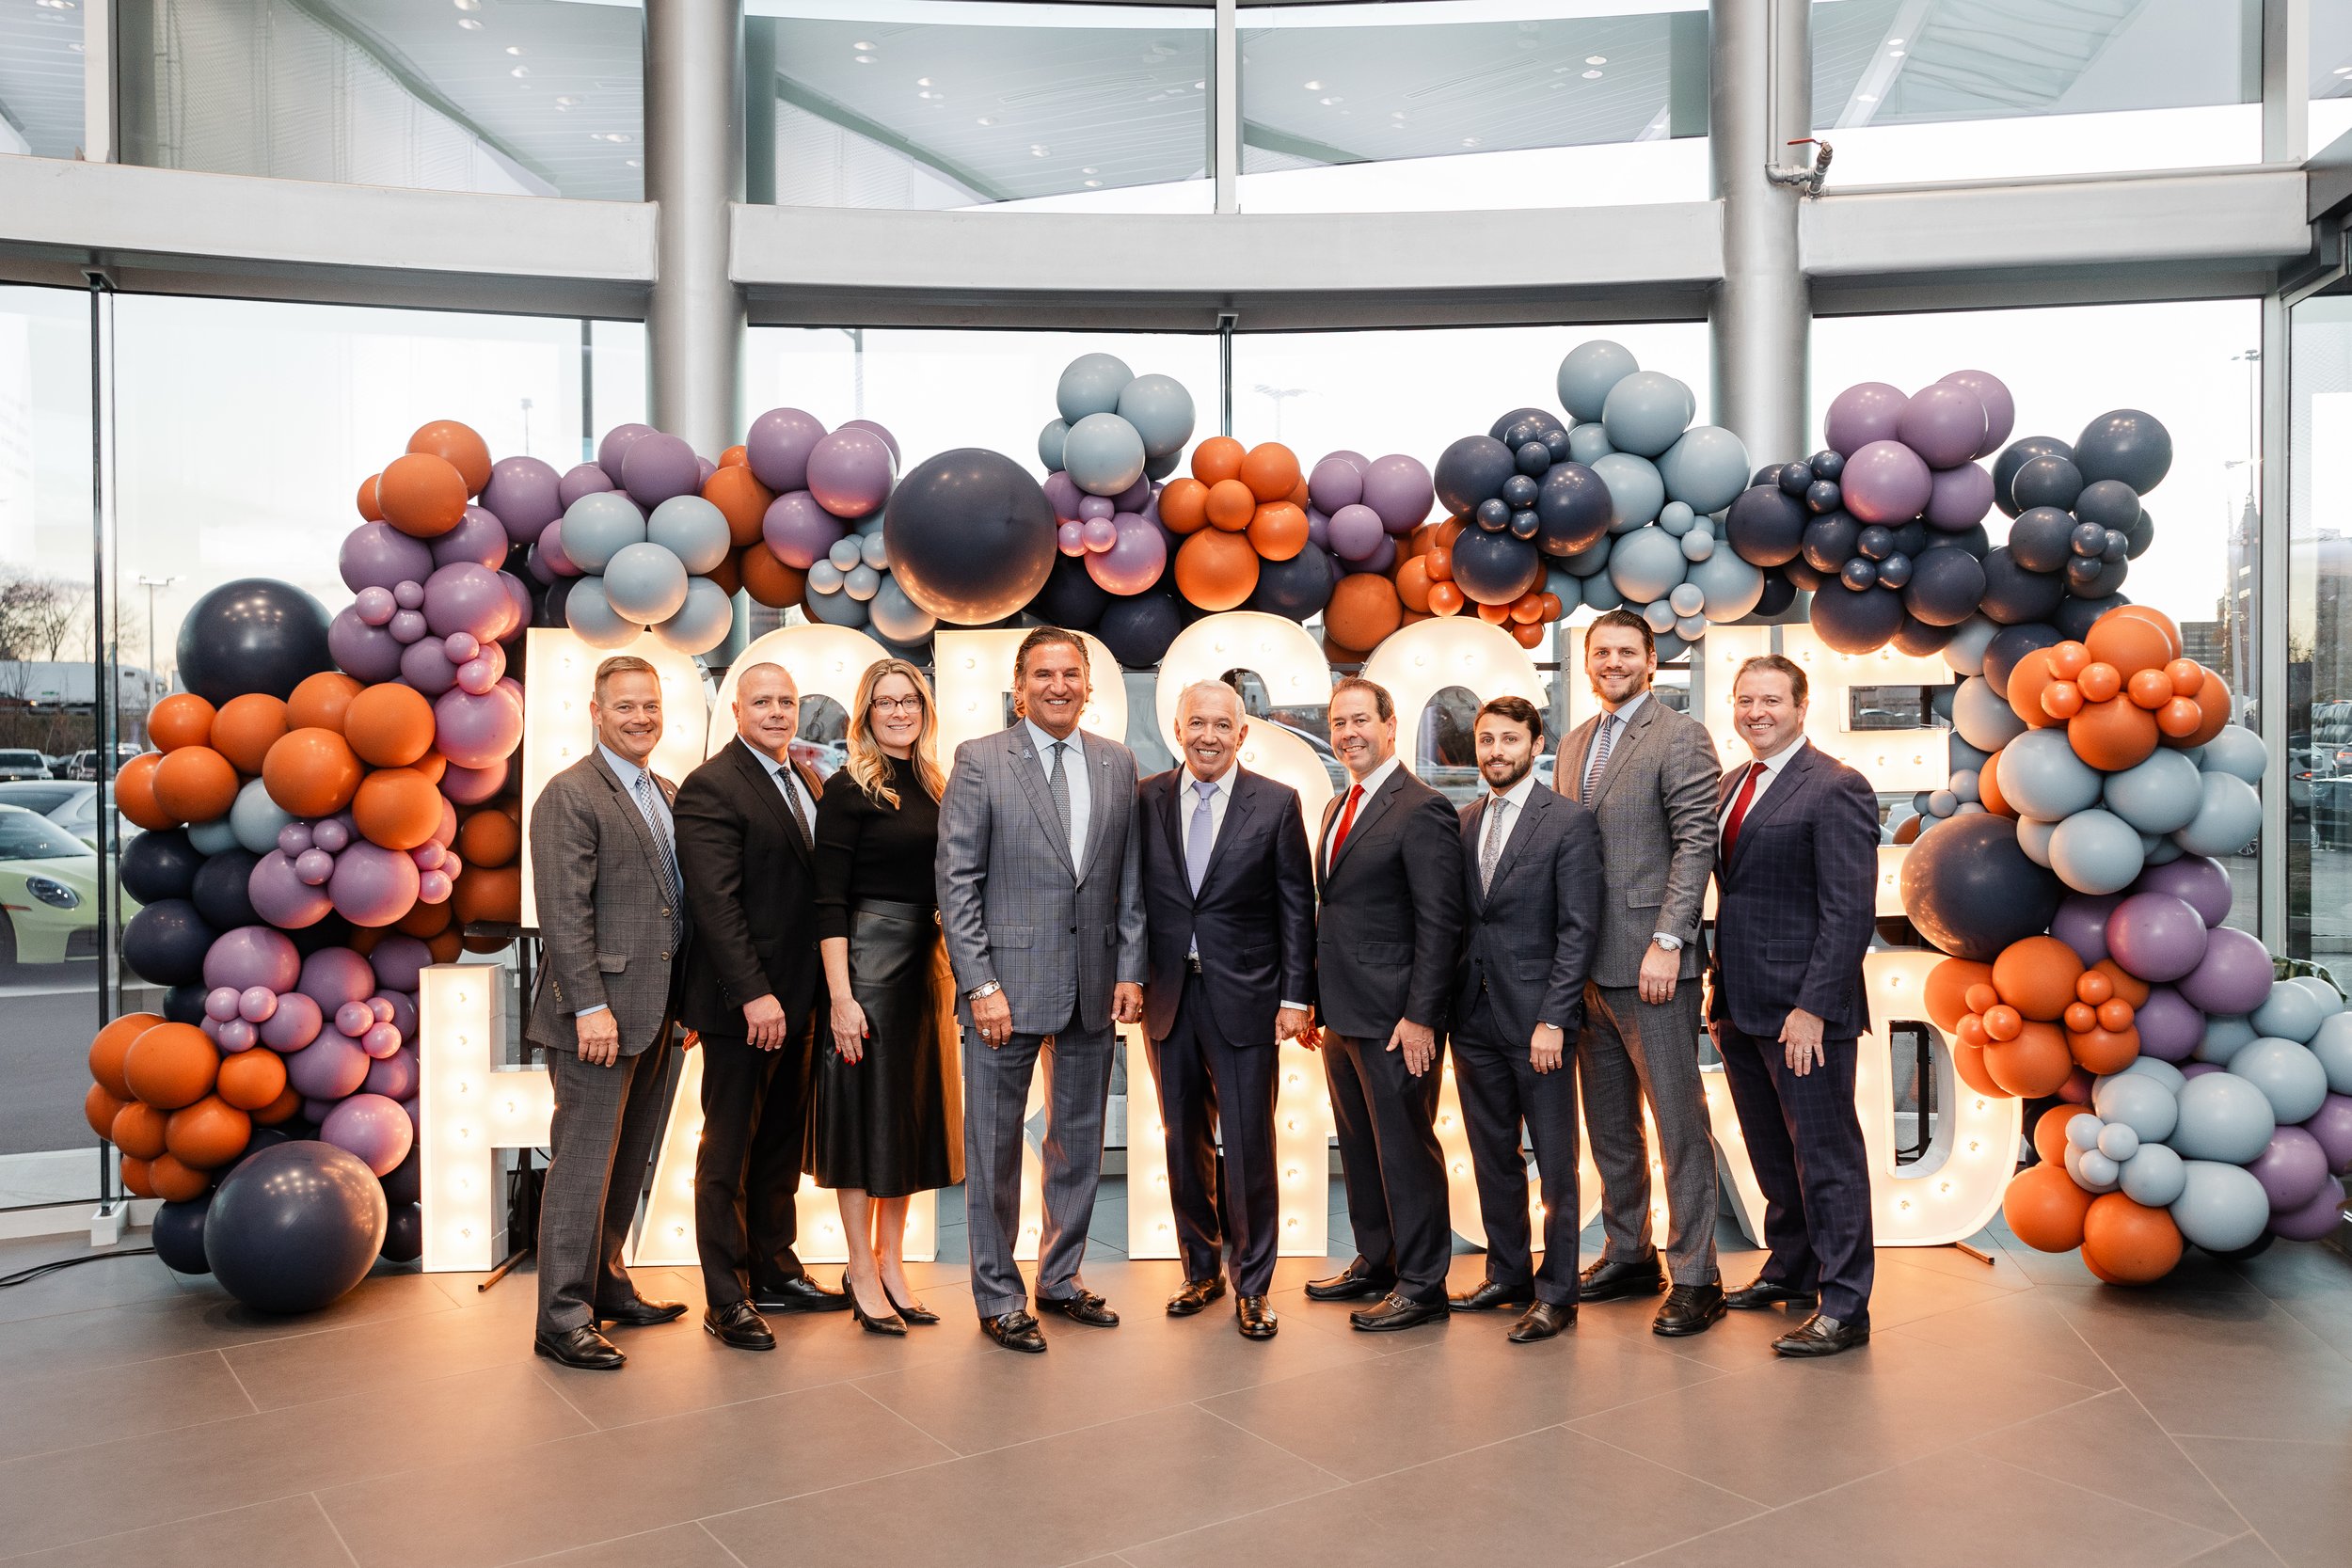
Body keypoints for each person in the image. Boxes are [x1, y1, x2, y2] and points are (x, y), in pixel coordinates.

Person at [936, 626, 1147, 1354]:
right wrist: (980, 982)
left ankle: (1060, 1278)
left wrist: (1128, 968)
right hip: (1005, 989)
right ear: (1020, 686)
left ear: (1089, 684)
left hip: (1093, 986)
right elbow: (956, 881)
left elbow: (1127, 880)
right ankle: (998, 1295)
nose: (1059, 686)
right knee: (993, 1149)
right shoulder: (980, 760)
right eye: (1044, 674)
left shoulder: (1118, 763)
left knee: (1077, 1143)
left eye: (1071, 674)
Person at [1556, 608, 1726, 1337]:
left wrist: (1670, 938)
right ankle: (1629, 1250)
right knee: (1610, 1125)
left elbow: (1696, 841)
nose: (1613, 662)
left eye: (1627, 651)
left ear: (1651, 660)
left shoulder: (1681, 735)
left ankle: (1698, 1274)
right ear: (1587, 662)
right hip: (1585, 964)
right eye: (1601, 652)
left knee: (1678, 1123)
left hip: (1653, 963)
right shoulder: (1571, 743)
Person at [1708, 655, 1881, 1358]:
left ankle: (1846, 1304)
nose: (1757, 711)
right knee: (1774, 1156)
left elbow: (1848, 913)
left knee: (1828, 1158)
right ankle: (1791, 1268)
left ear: (1801, 706)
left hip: (1804, 1015)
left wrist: (1813, 1008)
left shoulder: (1837, 786)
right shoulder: (1732, 783)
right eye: (1746, 699)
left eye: (1771, 699)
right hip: (1742, 1006)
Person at [524, 656, 693, 1370]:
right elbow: (563, 913)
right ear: (595, 712)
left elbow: (672, 907)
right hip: (596, 1016)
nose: (640, 718)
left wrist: (684, 1003)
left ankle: (606, 1280)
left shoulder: (667, 790)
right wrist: (589, 1006)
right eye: (625, 707)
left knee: (629, 1160)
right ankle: (561, 1316)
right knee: (583, 1165)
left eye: (650, 705)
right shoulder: (571, 794)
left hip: (657, 1013)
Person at [1136, 680, 1316, 1341]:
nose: (1208, 735)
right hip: (1167, 996)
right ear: (1177, 729)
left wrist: (1297, 996)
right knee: (1181, 1140)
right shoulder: (1146, 798)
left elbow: (1298, 907)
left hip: (1247, 996)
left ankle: (1253, 1284)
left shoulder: (1276, 803)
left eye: (1221, 725)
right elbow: (1133, 899)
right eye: (1196, 723)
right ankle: (1200, 1267)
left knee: (1247, 1145)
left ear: (1242, 734)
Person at [674, 661, 847, 1353]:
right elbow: (715, 904)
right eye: (762, 701)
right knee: (728, 1151)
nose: (776, 712)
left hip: (800, 999)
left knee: (778, 1146)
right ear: (735, 709)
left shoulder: (802, 776)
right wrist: (755, 993)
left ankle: (776, 1266)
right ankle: (726, 1293)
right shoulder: (712, 784)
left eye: (786, 701)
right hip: (744, 1005)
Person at [1303, 676, 1465, 1332]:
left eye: (1360, 720)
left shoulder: (1420, 807)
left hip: (1400, 1017)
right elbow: (1335, 910)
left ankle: (1424, 1282)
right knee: (1362, 1146)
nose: (1348, 733)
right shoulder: (1337, 803)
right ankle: (1378, 1258)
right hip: (1343, 1012)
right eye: (1338, 722)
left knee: (1405, 1147)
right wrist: (1317, 1001)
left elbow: (1441, 922)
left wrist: (1422, 1013)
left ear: (1391, 725)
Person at [810, 659, 962, 1337]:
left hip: (924, 974)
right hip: (866, 968)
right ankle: (859, 1269)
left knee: (903, 1120)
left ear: (923, 708)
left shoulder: (936, 783)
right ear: (865, 713)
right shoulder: (847, 789)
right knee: (858, 1120)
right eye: (885, 702)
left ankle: (892, 1262)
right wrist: (841, 997)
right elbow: (828, 901)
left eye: (909, 700)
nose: (898, 712)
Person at [1447, 696, 1603, 1343]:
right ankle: (1508, 1271)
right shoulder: (1463, 820)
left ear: (1535, 744)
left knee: (1557, 1161)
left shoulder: (1567, 822)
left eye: (1509, 739)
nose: (1495, 752)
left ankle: (1558, 1291)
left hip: (1539, 1020)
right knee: (1492, 1153)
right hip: (1473, 1015)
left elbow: (1578, 928)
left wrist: (1554, 1019)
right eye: (1486, 740)